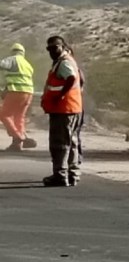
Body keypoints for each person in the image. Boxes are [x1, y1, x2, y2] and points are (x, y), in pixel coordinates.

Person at [40, 36, 83, 187]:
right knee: (71, 142)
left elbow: (71, 78)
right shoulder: (68, 60)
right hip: (73, 108)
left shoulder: (64, 63)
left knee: (60, 144)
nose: (51, 51)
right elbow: (80, 78)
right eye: (49, 49)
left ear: (62, 47)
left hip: (63, 110)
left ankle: (60, 175)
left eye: (55, 48)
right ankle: (73, 174)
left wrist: (61, 96)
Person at [0, 43, 36, 152]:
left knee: (3, 114)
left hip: (16, 91)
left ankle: (19, 137)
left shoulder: (13, 59)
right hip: (28, 93)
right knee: (19, 117)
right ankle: (16, 145)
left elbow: (1, 65)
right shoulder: (27, 64)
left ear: (13, 51)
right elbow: (19, 78)